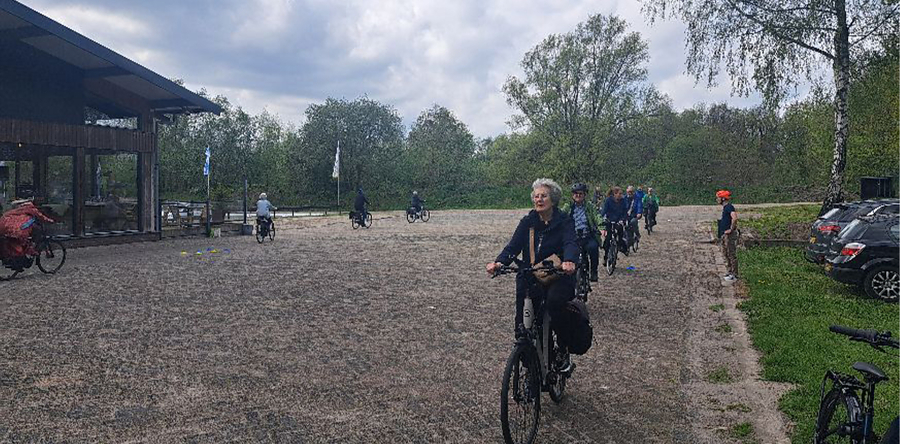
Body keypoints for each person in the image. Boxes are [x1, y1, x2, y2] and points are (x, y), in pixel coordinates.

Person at [486, 178, 578, 370]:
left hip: (558, 275)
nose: (539, 199)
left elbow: (571, 242)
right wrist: (499, 262)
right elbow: (513, 247)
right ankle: (527, 359)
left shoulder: (564, 221)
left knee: (554, 303)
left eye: (543, 196)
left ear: (553, 199)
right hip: (530, 274)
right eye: (536, 196)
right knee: (522, 323)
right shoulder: (528, 222)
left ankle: (562, 349)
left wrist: (569, 260)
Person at [560, 183, 604, 282]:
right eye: (576, 193)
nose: (578, 195)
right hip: (573, 237)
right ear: (572, 195)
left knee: (593, 248)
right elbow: (560, 216)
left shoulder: (589, 206)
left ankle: (594, 271)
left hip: (587, 236)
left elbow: (597, 216)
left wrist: (601, 227)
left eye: (581, 193)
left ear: (584, 195)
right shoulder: (569, 207)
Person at [716, 190, 739, 281]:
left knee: (731, 253)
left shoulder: (729, 207)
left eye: (718, 198)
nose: (717, 200)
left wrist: (731, 229)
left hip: (729, 235)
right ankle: (730, 272)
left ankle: (734, 274)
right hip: (724, 234)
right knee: (726, 253)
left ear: (723, 199)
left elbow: (734, 218)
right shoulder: (726, 208)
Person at [602, 186, 628, 253]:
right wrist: (603, 218)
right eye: (619, 193)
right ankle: (606, 254)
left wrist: (623, 220)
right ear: (614, 194)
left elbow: (625, 212)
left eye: (621, 194)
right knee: (608, 237)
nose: (621, 195)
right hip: (610, 220)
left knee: (620, 235)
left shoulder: (623, 201)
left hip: (619, 220)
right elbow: (604, 211)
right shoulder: (608, 200)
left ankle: (621, 247)